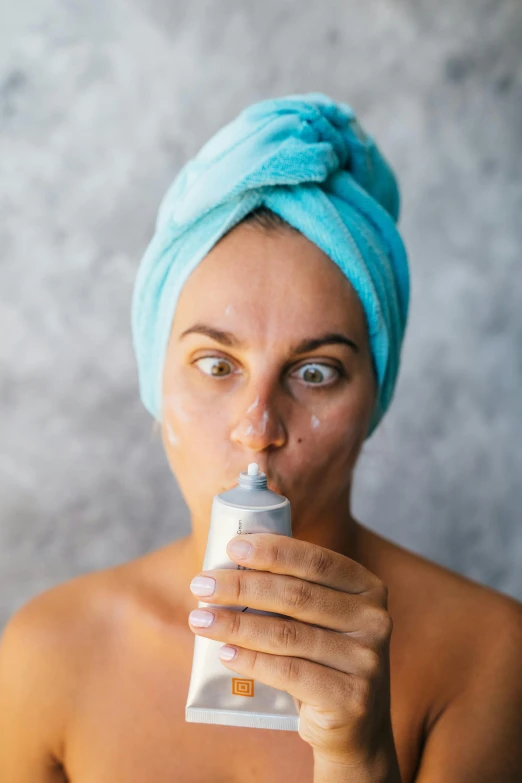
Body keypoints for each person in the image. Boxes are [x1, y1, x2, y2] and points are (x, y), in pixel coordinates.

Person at [0, 94, 521, 783]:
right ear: (156, 380)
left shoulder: (489, 653)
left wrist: (356, 758)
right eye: (216, 365)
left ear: (377, 396)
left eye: (315, 371)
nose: (258, 427)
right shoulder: (46, 654)